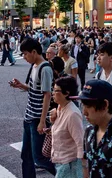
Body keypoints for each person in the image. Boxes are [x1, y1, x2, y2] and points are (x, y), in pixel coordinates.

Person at [9, 38, 56, 177]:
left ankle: (64, 174)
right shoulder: (34, 66)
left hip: (37, 118)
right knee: (26, 155)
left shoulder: (45, 68)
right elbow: (35, 89)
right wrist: (21, 86)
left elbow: (47, 95)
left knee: (39, 157)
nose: (24, 57)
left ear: (34, 52)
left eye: (25, 54)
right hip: (29, 116)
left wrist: (42, 122)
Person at [50, 76, 83, 177]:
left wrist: (80, 169)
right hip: (60, 161)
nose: (52, 93)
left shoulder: (72, 114)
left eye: (56, 91)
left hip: (69, 164)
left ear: (67, 93)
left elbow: (80, 142)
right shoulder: (60, 108)